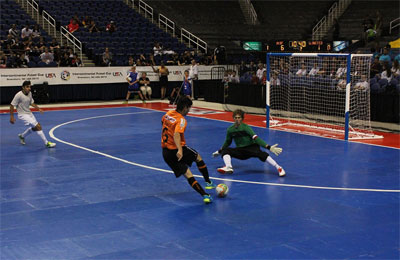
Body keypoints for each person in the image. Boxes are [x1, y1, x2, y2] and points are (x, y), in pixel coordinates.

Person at [161, 96, 215, 204]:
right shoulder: (181, 120)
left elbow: (163, 123)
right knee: (198, 157)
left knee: (188, 175)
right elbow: (177, 134)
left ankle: (205, 195)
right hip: (175, 149)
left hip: (166, 153)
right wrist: (180, 150)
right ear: (185, 107)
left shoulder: (168, 114)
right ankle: (208, 182)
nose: (189, 111)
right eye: (189, 108)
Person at [212, 109, 285, 177]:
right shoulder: (230, 130)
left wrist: (269, 147)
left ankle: (278, 167)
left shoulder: (246, 128)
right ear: (233, 118)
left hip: (251, 148)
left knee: (262, 154)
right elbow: (227, 142)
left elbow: (256, 139)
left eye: (239, 118)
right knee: (226, 150)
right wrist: (219, 151)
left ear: (242, 119)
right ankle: (228, 167)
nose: (237, 119)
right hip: (240, 151)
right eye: (236, 118)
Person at [9, 81, 56, 148]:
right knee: (38, 126)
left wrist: (38, 108)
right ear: (23, 87)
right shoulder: (18, 95)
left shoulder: (30, 93)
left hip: (29, 113)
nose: (29, 88)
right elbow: (12, 105)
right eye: (27, 87)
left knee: (35, 128)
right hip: (22, 115)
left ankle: (22, 136)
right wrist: (11, 117)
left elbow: (31, 103)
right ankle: (47, 143)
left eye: (30, 86)